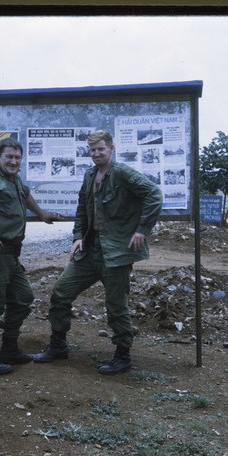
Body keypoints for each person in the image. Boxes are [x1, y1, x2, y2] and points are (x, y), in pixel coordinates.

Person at [34, 130, 163, 374]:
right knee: (61, 292)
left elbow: (154, 194)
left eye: (100, 149)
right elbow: (82, 208)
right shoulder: (90, 175)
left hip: (116, 252)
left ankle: (122, 356)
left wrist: (142, 230)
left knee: (117, 306)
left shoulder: (122, 173)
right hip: (90, 250)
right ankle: (58, 345)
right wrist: (77, 236)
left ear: (111, 149)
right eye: (92, 150)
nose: (96, 154)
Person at [0, 137, 63, 375]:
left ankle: (9, 348)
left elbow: (25, 195)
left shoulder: (13, 178)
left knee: (22, 297)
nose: (14, 161)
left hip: (9, 253)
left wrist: (41, 213)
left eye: (18, 157)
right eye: (9, 156)